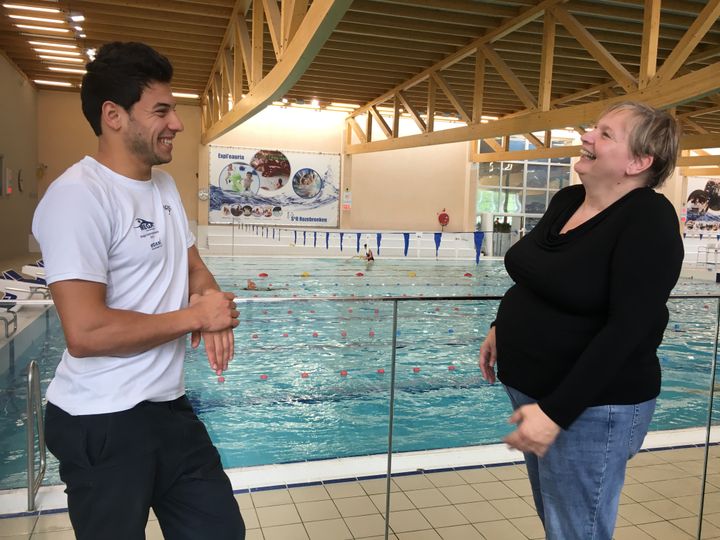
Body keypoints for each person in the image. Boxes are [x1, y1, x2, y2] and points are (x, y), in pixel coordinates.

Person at [31, 42, 245, 540]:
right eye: (162, 110)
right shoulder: (79, 197)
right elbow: (85, 331)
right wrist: (198, 318)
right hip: (100, 420)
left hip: (168, 408)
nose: (177, 124)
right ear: (114, 116)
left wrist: (208, 301)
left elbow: (193, 269)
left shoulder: (164, 188)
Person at [478, 101, 683, 540]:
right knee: (559, 523)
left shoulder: (649, 220)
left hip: (590, 408)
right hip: (536, 392)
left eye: (606, 134)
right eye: (594, 128)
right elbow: (535, 275)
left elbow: (629, 330)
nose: (587, 136)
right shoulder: (569, 199)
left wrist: (555, 414)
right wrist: (502, 326)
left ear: (638, 162)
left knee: (576, 532)